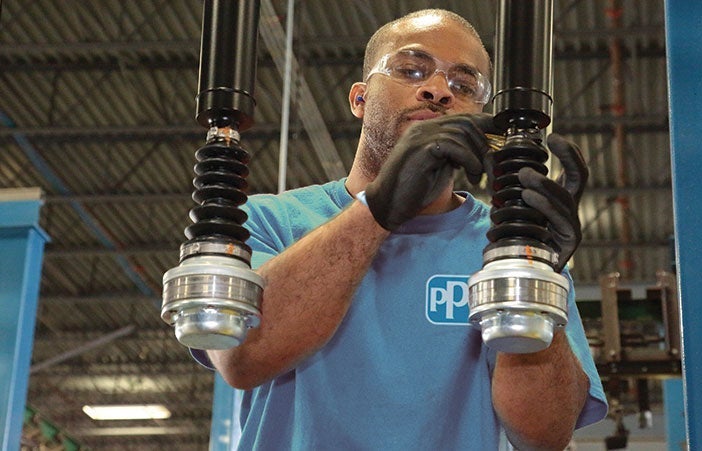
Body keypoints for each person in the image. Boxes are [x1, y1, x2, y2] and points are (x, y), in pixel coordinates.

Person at [195, 8, 607, 450]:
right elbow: (242, 356)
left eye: (464, 85)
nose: (438, 91)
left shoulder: (511, 248)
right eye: (411, 70)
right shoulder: (264, 221)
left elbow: (544, 434)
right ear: (359, 98)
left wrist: (532, 284)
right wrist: (379, 209)